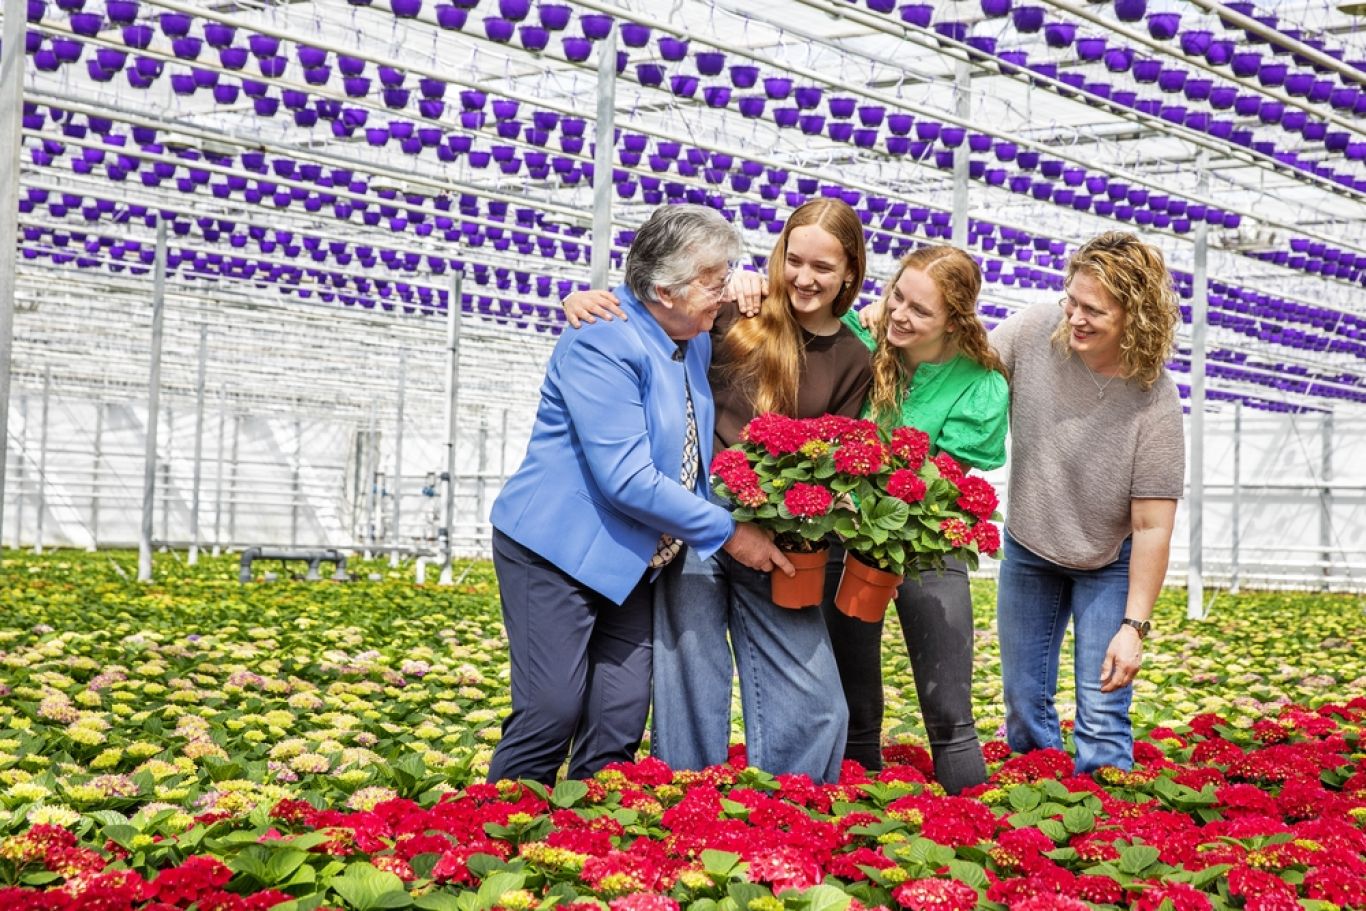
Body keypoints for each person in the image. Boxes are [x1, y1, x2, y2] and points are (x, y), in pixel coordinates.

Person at [563, 199, 872, 783]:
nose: (804, 278)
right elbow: (658, 296)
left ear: (850, 272)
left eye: (824, 268)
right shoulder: (735, 312)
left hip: (778, 537)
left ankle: (788, 809)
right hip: (697, 515)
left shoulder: (855, 357)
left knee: (817, 698)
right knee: (689, 679)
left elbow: (835, 460)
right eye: (794, 260)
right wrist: (583, 299)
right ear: (777, 255)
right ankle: (690, 812)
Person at [486, 204, 794, 786]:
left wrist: (748, 280)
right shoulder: (601, 337)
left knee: (619, 717)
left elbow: (793, 295)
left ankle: (590, 847)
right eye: (713, 279)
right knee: (551, 711)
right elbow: (625, 479)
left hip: (631, 561)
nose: (722, 289)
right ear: (664, 289)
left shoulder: (689, 330)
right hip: (555, 552)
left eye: (725, 274)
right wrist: (728, 533)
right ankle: (496, 833)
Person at [989, 230, 1184, 774]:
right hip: (1029, 546)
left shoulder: (1154, 398)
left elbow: (1151, 527)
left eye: (1093, 310)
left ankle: (1106, 834)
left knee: (1101, 712)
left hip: (1107, 561)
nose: (1074, 317)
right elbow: (966, 367)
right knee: (1024, 705)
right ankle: (1039, 811)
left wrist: (1134, 629)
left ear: (1134, 317)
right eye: (1071, 300)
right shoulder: (1032, 332)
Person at [820, 246, 1008, 792]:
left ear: (955, 320)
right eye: (897, 297)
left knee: (949, 710)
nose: (901, 315)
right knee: (855, 706)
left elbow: (941, 481)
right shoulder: (860, 339)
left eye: (920, 311)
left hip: (927, 540)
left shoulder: (982, 382)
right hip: (847, 533)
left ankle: (975, 835)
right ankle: (857, 832)